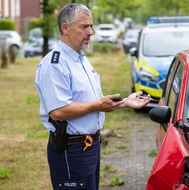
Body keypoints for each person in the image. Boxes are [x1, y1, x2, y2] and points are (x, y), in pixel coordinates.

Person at [34, 3, 151, 190]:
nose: (90, 32)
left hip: (90, 147)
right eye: (84, 27)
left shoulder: (81, 59)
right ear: (65, 28)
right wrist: (97, 105)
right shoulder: (55, 64)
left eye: (91, 26)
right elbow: (58, 111)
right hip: (71, 151)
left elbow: (92, 102)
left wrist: (124, 102)